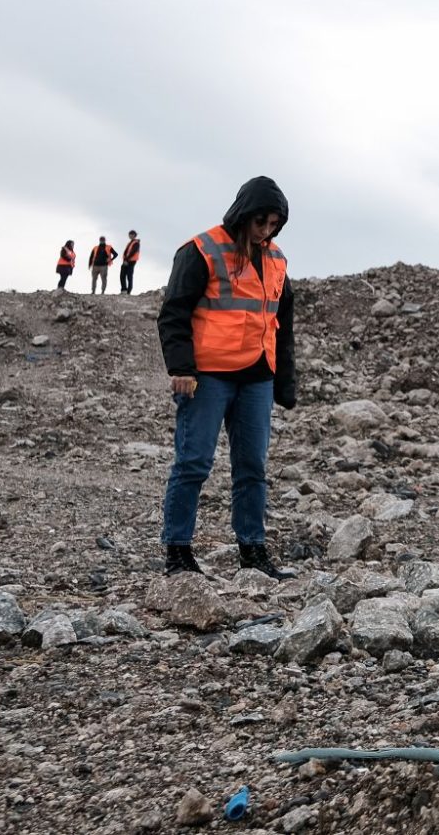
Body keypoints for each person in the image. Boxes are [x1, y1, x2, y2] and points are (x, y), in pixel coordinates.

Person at [156, 177, 297, 579]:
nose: (266, 231)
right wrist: (181, 368)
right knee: (194, 462)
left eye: (273, 224)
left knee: (252, 466)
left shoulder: (277, 260)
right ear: (243, 214)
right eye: (260, 222)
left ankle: (252, 550)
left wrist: (284, 382)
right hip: (207, 377)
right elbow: (174, 313)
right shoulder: (202, 249)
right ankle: (178, 551)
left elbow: (282, 323)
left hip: (257, 378)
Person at [120, 230, 141, 294]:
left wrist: (127, 260)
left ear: (134, 235)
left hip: (131, 261)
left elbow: (133, 252)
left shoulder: (136, 243)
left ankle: (128, 291)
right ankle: (124, 290)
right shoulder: (130, 243)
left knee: (129, 276)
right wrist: (124, 260)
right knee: (122, 275)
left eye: (132, 234)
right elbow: (126, 252)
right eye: (129, 234)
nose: (130, 235)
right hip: (126, 261)